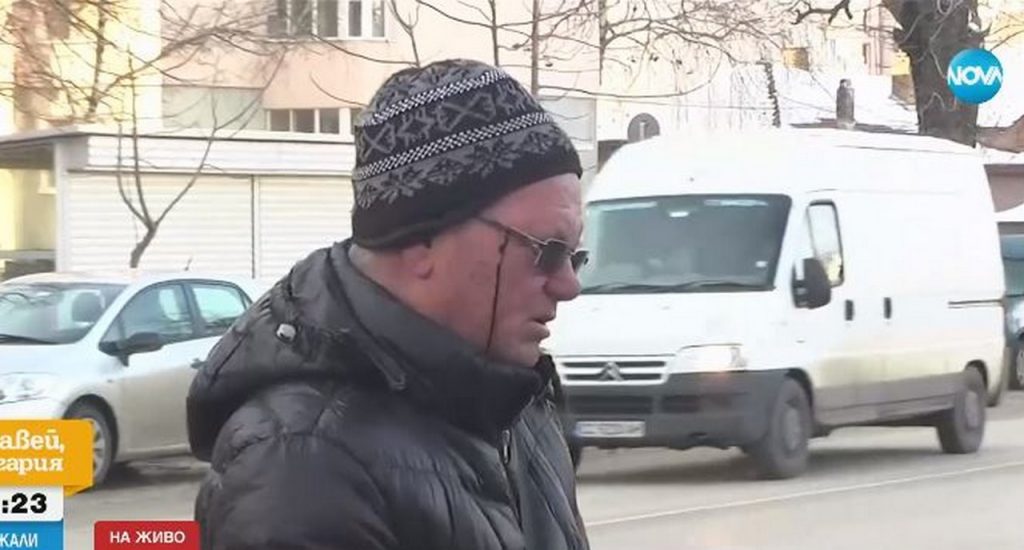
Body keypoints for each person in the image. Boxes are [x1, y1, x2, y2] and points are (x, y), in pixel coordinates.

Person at [186, 59, 591, 550]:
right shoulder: (301, 468)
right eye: (546, 251)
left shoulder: (515, 406)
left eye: (575, 256)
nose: (568, 285)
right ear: (421, 241)